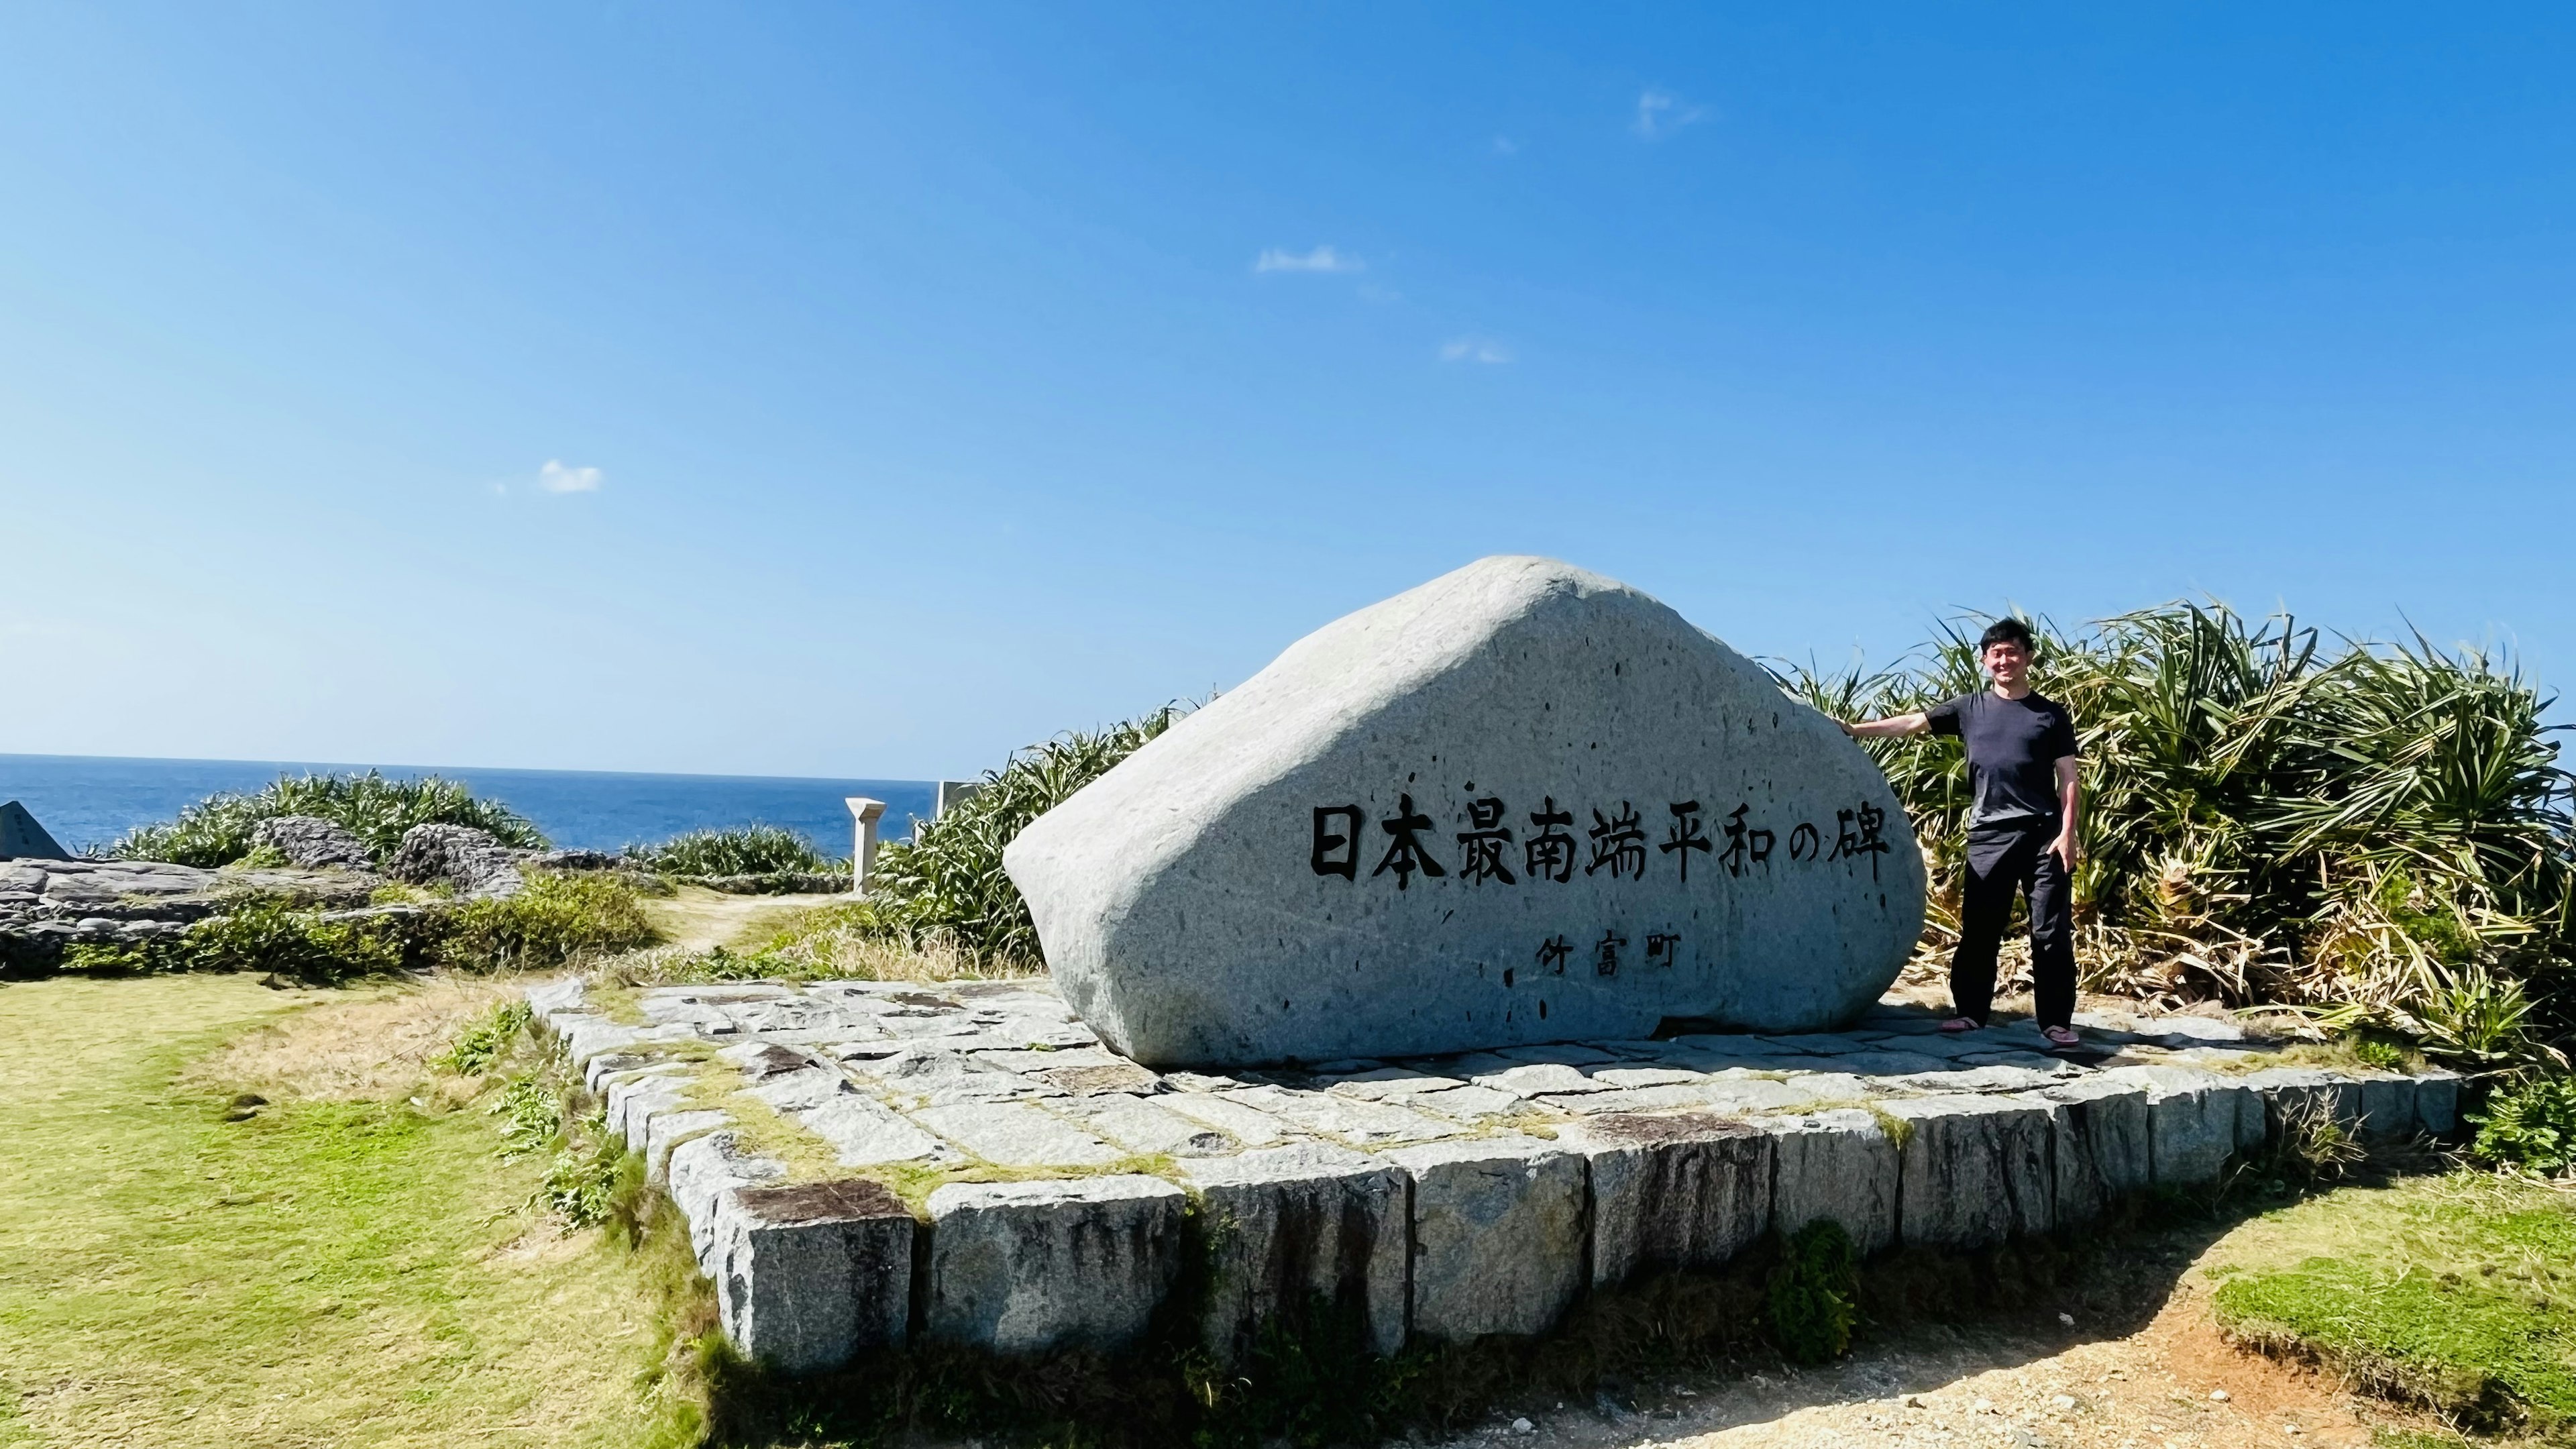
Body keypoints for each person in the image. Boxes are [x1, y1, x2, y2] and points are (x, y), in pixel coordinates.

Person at [1838, 619, 2085, 1048]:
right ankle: (1970, 1013)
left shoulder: (2050, 714)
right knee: (1980, 929)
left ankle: (2055, 1021)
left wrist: (2068, 834)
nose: (2004, 660)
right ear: (1987, 661)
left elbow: (2068, 777)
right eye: (1996, 654)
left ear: (2027, 656)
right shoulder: (1969, 708)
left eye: (2012, 651)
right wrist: (1857, 730)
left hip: (2044, 834)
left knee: (2050, 930)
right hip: (1989, 835)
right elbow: (1914, 723)